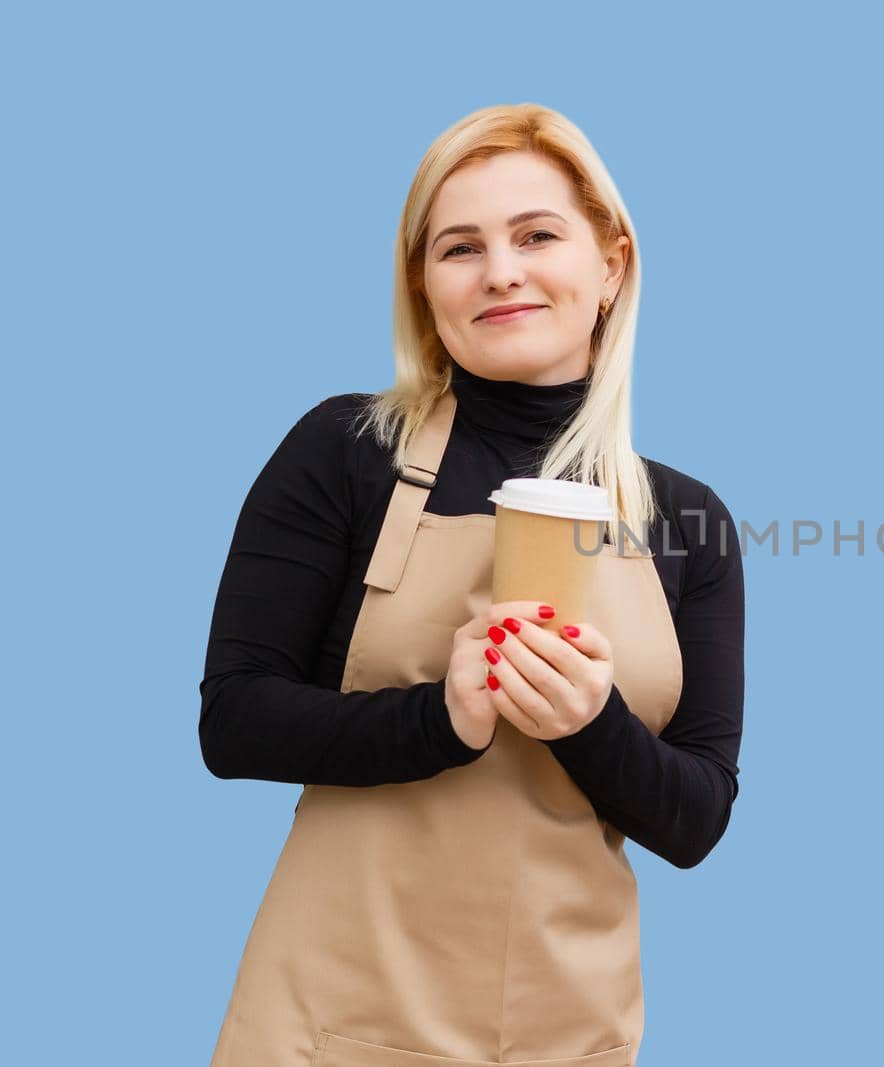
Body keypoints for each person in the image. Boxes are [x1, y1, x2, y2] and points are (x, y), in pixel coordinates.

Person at [199, 103, 745, 1067]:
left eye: (537, 234)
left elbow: (697, 815)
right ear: (424, 285)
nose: (501, 270)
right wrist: (436, 721)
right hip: (334, 1027)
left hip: (569, 1033)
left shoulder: (685, 520)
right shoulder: (349, 451)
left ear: (611, 262)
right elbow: (234, 721)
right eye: (460, 247)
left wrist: (588, 723)